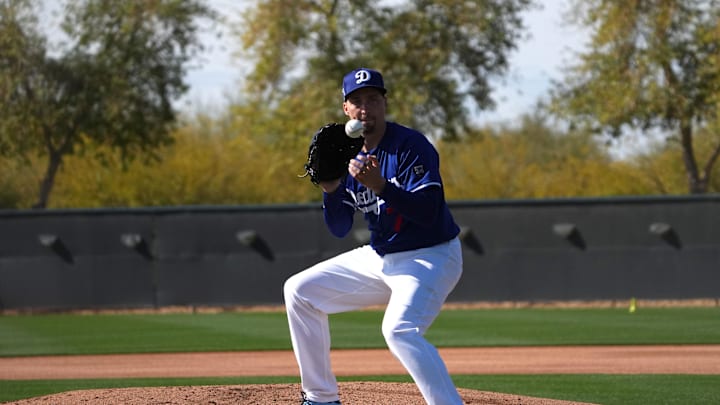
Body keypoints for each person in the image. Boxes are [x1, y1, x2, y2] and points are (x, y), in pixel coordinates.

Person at [284, 67, 464, 405]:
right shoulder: (345, 155)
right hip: (382, 256)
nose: (365, 107)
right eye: (357, 101)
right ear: (346, 110)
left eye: (372, 99)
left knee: (399, 330)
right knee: (299, 291)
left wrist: (381, 186)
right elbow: (338, 228)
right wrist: (330, 186)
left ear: (384, 103)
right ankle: (321, 397)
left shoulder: (410, 146)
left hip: (431, 255)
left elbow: (426, 212)